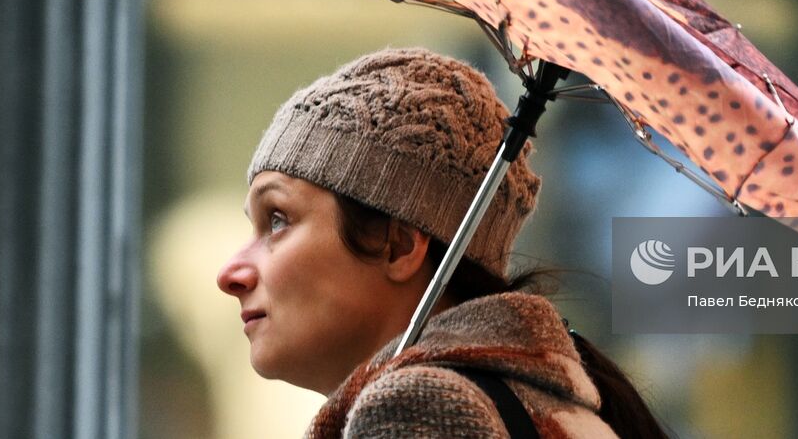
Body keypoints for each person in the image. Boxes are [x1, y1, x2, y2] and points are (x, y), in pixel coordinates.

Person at [215, 48, 671, 438]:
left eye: (277, 220)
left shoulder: (419, 409)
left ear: (398, 246)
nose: (230, 274)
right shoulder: (540, 402)